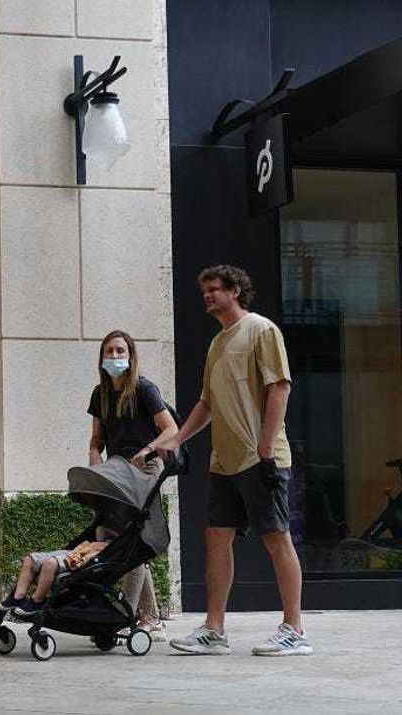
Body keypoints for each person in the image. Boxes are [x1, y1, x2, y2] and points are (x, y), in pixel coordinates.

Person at [137, 265, 311, 657]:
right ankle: (214, 630)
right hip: (224, 461)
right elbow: (206, 404)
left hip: (260, 457)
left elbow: (279, 389)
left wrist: (266, 450)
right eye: (204, 292)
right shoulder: (218, 343)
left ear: (236, 291)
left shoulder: (261, 331)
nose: (207, 297)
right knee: (216, 538)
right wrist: (177, 439)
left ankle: (295, 629)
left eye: (214, 289)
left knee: (276, 538)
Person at [87, 330, 178, 640]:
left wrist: (148, 449)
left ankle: (127, 613)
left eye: (120, 351)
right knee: (118, 534)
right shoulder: (99, 394)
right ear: (102, 357)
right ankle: (150, 618)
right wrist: (93, 456)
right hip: (119, 470)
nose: (115, 357)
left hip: (147, 466)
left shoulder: (144, 389)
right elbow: (97, 439)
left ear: (131, 355)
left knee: (129, 536)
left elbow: (171, 430)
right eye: (109, 351)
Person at [0, 528, 117, 618]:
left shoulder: (118, 545)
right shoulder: (110, 522)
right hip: (78, 550)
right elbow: (99, 529)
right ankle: (17, 597)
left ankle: (36, 602)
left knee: (49, 564)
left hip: (86, 558)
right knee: (29, 559)